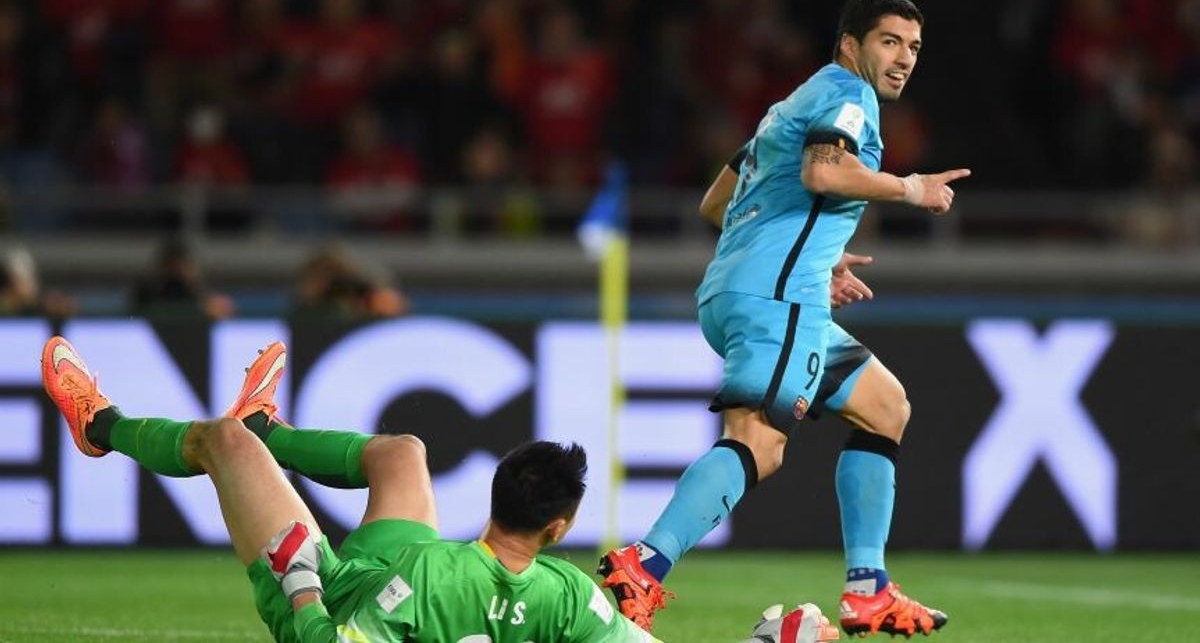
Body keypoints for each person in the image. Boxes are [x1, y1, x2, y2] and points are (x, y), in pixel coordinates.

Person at [41, 336, 839, 643]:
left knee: (225, 445)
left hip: (340, 597)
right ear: (559, 528)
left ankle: (99, 422)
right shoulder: (570, 596)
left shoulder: (429, 582)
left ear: (494, 495)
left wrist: (303, 585)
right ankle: (269, 425)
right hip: (410, 565)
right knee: (402, 453)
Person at [597, 0, 969, 638]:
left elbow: (717, 201)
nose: (905, 58)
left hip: (742, 290)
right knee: (758, 444)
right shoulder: (848, 97)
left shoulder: (788, 105)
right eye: (890, 42)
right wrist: (911, 188)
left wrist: (816, 255)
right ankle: (643, 566)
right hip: (777, 299)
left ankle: (868, 590)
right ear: (850, 45)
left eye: (913, 47)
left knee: (886, 404)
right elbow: (826, 172)